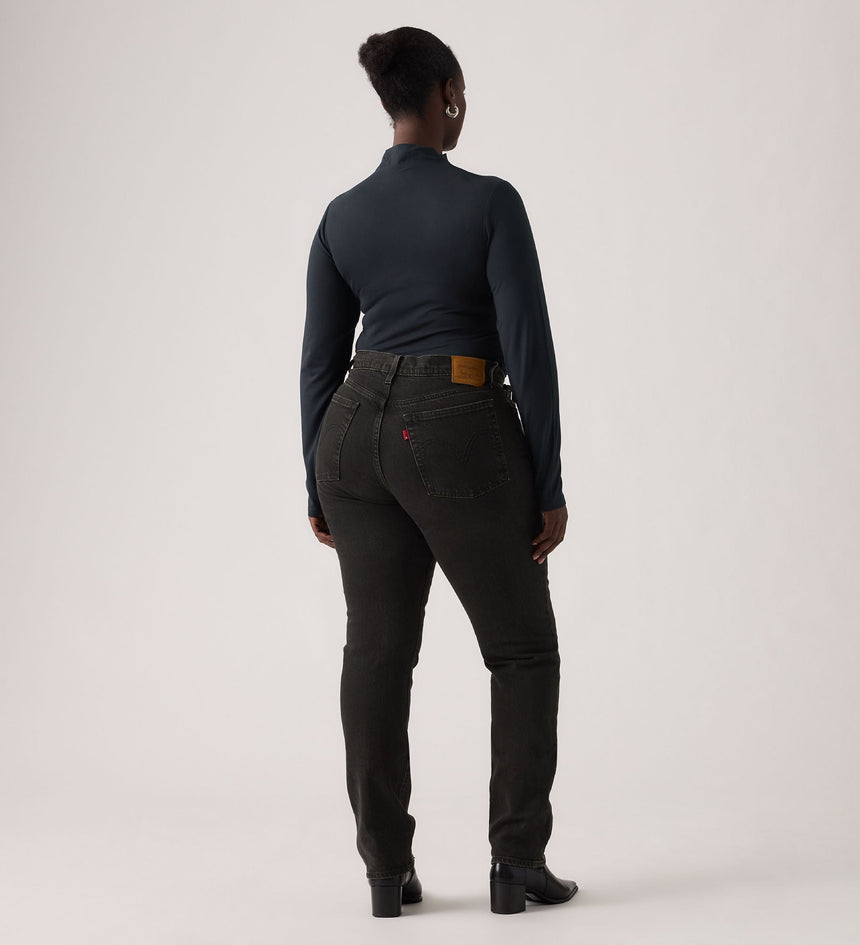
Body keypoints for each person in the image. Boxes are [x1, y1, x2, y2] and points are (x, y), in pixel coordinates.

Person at [299, 26, 578, 917]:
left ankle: (386, 872)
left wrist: (315, 480)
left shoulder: (341, 215)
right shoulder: (489, 202)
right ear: (448, 92)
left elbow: (320, 361)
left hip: (352, 433)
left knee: (377, 652)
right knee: (522, 648)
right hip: (456, 420)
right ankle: (515, 861)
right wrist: (548, 481)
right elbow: (528, 349)